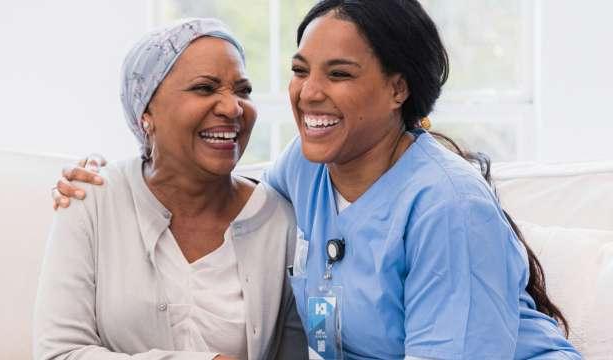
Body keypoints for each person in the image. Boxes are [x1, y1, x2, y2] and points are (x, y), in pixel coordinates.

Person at [52, 1, 581, 359]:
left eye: (340, 74)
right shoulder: (305, 169)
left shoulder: (448, 209)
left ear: (399, 88)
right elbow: (211, 180)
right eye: (301, 70)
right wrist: (114, 177)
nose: (309, 93)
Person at [34, 18, 307, 360]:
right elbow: (58, 352)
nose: (233, 107)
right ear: (145, 112)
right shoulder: (89, 200)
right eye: (205, 88)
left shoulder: (279, 220)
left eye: (243, 90)